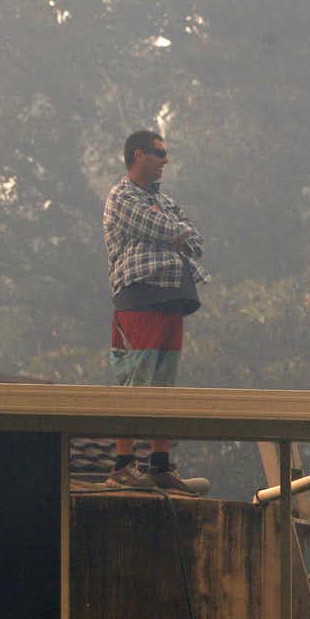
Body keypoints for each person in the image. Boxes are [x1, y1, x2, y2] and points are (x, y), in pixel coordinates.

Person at [103, 129, 210, 494]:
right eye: (159, 153)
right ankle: (123, 464)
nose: (166, 160)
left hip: (172, 299)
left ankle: (160, 465)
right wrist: (174, 231)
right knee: (137, 379)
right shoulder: (121, 196)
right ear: (137, 155)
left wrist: (176, 230)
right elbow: (159, 227)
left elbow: (194, 238)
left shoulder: (164, 200)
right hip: (139, 298)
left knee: (164, 384)